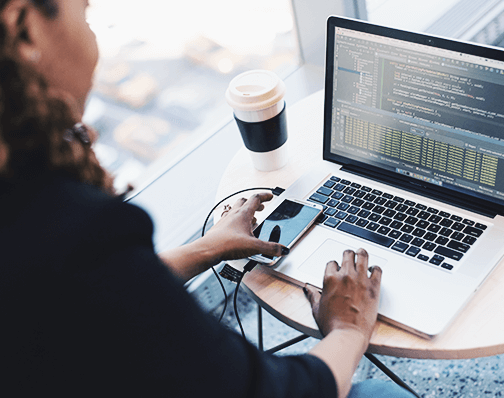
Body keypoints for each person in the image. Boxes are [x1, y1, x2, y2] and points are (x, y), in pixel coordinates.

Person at [0, 1, 416, 397]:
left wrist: (207, 248)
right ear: (25, 29)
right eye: (86, 13)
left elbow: (84, 293)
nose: (92, 34)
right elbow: (272, 391)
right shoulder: (76, 230)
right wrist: (348, 328)